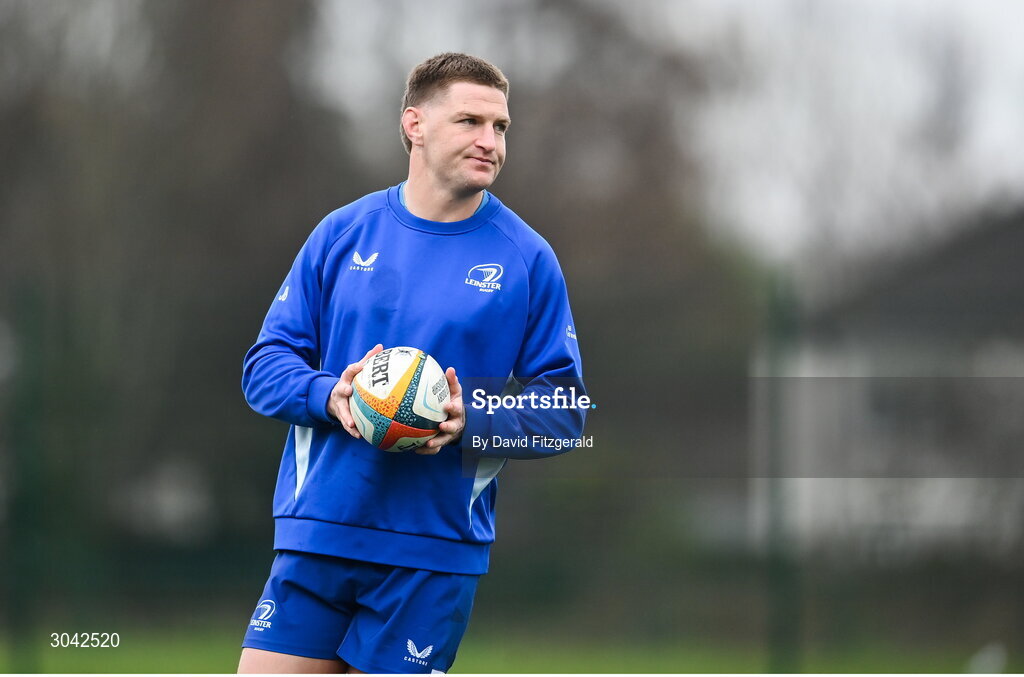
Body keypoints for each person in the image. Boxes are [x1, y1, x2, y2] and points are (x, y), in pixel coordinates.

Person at [237, 52, 586, 674]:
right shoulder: (342, 233)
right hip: (318, 532)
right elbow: (264, 368)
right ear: (414, 126)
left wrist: (468, 419)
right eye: (470, 121)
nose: (490, 141)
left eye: (500, 127)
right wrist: (330, 396)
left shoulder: (528, 259)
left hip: (432, 554)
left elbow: (565, 412)